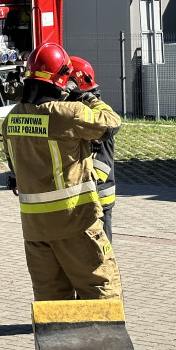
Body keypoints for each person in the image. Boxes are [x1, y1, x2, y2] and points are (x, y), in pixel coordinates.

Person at [1, 43, 123, 301]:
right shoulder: (70, 114)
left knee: (51, 301)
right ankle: (99, 342)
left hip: (34, 229)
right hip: (74, 221)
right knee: (101, 289)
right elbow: (112, 122)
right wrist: (89, 97)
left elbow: (14, 166)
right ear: (61, 78)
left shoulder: (11, 119)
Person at [68, 56, 119, 243]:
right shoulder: (81, 115)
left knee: (102, 255)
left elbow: (102, 164)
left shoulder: (97, 118)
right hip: (87, 201)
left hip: (99, 200)